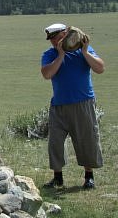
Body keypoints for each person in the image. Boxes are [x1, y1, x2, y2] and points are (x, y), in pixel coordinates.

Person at [40, 23, 105, 189]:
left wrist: (84, 52)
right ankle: (57, 177)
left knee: (86, 139)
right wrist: (60, 55)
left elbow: (100, 68)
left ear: (66, 34)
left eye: (57, 37)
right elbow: (47, 74)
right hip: (59, 105)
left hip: (82, 102)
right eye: (52, 39)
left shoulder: (83, 51)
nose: (54, 42)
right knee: (55, 142)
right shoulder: (50, 55)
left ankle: (89, 176)